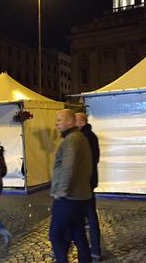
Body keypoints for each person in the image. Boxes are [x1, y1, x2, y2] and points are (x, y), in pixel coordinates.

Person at [49, 109, 93, 263]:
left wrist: (61, 192)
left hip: (69, 197)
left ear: (69, 121)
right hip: (79, 197)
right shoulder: (79, 137)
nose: (56, 124)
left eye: (59, 120)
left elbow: (69, 167)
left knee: (55, 235)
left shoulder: (72, 139)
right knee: (78, 234)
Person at [76, 112, 102, 261]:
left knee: (86, 216)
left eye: (76, 120)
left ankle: (91, 250)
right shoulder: (92, 136)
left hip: (83, 183)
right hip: (90, 182)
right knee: (90, 214)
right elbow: (96, 159)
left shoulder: (83, 137)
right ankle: (95, 249)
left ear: (81, 122)